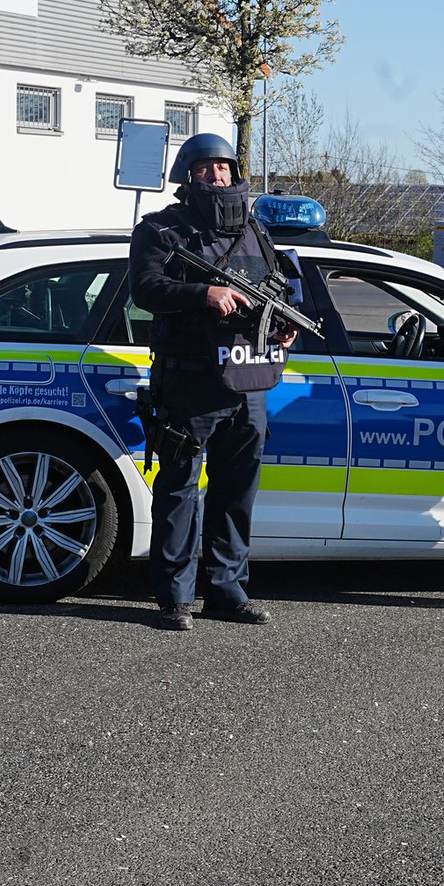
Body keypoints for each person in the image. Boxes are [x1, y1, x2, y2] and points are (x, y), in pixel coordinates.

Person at [129, 132, 298, 632]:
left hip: (251, 381)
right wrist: (204, 293)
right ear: (186, 175)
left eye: (224, 167)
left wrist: (286, 323)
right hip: (190, 382)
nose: (217, 176)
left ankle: (227, 591)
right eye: (205, 168)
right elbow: (146, 288)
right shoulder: (161, 230)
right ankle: (174, 600)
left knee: (236, 493)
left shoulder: (255, 230)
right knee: (180, 491)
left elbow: (279, 286)